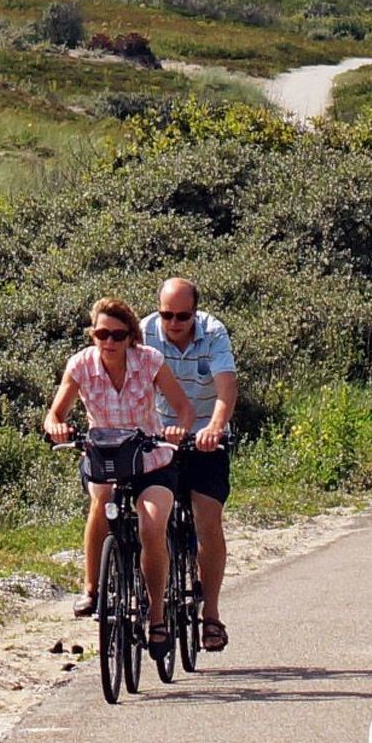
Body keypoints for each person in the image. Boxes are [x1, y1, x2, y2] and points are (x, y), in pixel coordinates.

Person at [43, 296, 199, 656]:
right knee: (100, 502)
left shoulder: (150, 361)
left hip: (150, 458)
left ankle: (157, 617)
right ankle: (91, 589)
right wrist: (58, 427)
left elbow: (184, 409)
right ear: (92, 335)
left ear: (131, 336)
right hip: (105, 456)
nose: (109, 342)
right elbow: (55, 413)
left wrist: (178, 431)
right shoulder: (80, 365)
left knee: (151, 523)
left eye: (117, 335)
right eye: (101, 334)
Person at [142, 278, 236, 652]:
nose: (174, 323)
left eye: (183, 316)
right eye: (167, 315)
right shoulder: (145, 331)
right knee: (146, 517)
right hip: (160, 432)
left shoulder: (213, 333)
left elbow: (226, 386)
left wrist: (214, 428)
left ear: (195, 313)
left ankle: (210, 615)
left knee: (207, 518)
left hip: (203, 434)